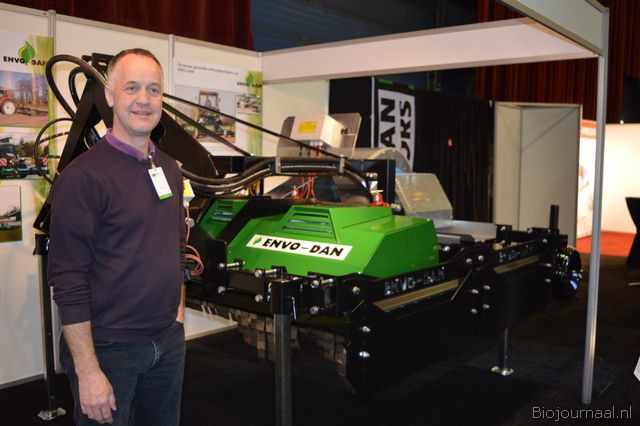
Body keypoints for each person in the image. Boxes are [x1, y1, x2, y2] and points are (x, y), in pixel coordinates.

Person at [48, 48, 186, 425]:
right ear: (109, 95)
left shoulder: (169, 169)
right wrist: (88, 370)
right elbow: (68, 281)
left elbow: (176, 249)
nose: (144, 99)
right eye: (131, 88)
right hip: (108, 350)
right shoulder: (83, 178)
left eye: (154, 89)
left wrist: (177, 320)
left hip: (166, 343)